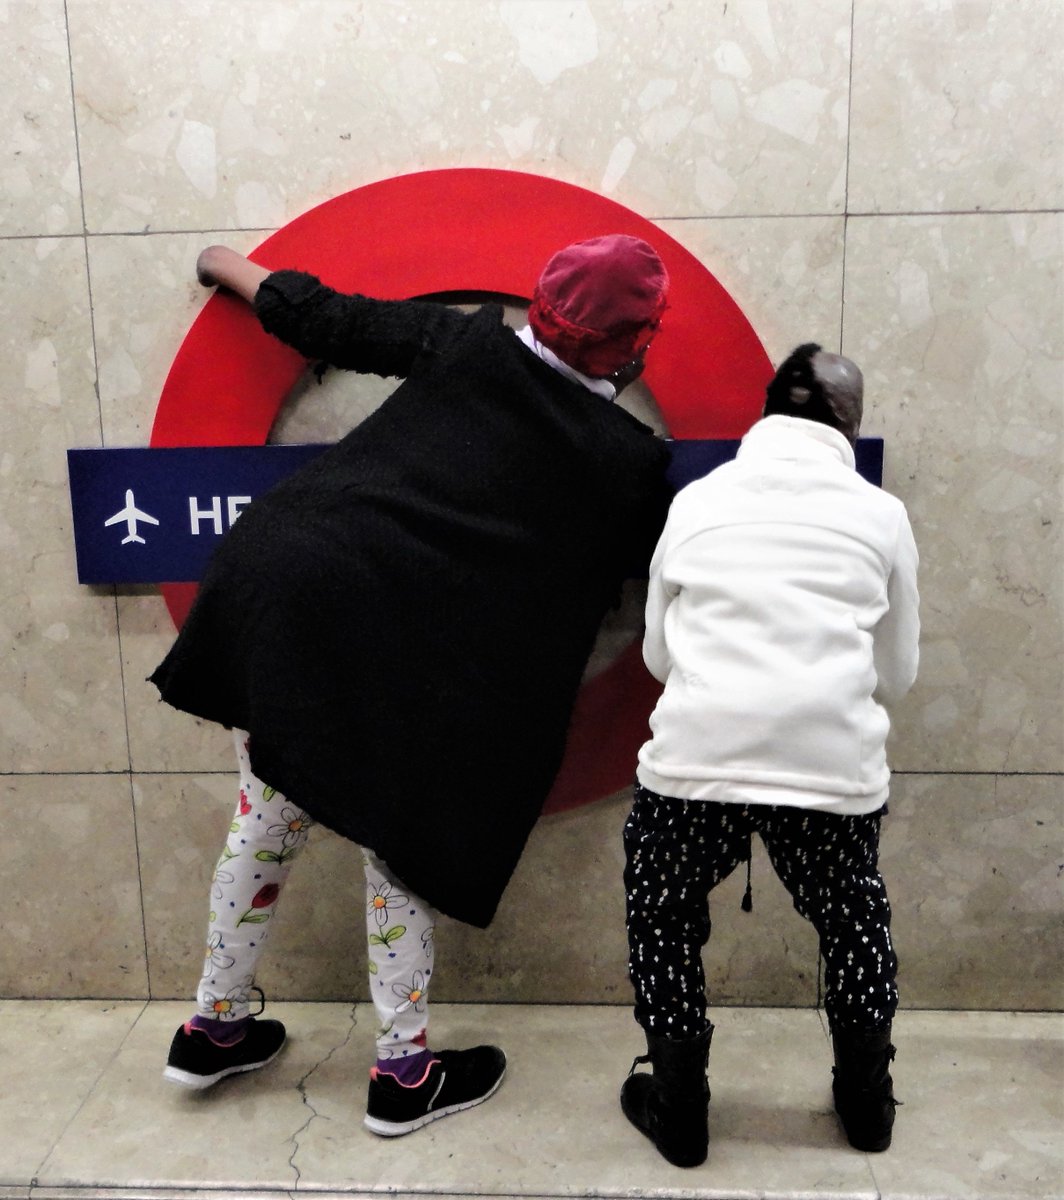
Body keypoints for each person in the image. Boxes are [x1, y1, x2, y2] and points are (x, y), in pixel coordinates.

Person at [150, 233, 673, 1137]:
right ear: (634, 346)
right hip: (394, 638)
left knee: (265, 816)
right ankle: (401, 1075)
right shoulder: (624, 461)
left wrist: (224, 262)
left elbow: (324, 318)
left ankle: (213, 1027)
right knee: (401, 849)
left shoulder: (467, 342)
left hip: (285, 576)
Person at [619, 343, 920, 1167]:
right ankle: (868, 1108)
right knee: (854, 923)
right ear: (850, 423)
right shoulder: (881, 515)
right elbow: (897, 672)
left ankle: (680, 1112)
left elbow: (658, 653)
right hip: (830, 768)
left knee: (662, 919)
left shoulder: (697, 501)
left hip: (696, 762)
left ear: (768, 409)